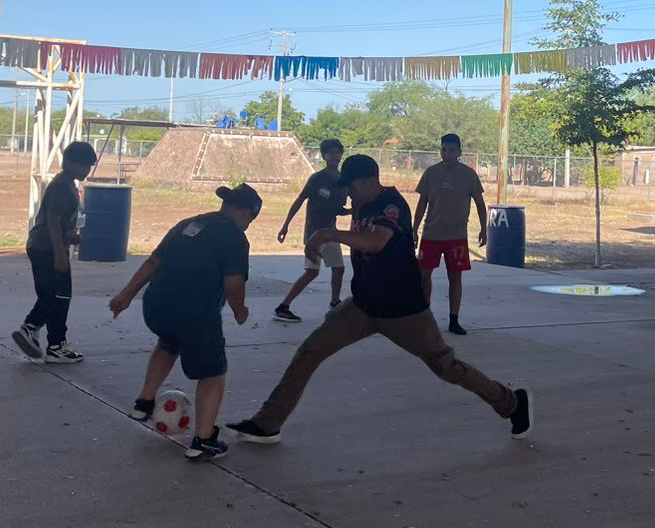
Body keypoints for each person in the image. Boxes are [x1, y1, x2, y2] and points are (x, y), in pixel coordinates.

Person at [226, 154, 532, 446]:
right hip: (362, 306)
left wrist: (330, 234)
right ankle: (267, 424)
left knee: (446, 367)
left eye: (353, 187)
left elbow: (375, 242)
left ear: (372, 181)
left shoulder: (392, 205)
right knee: (310, 351)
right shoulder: (361, 204)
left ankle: (512, 403)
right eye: (345, 189)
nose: (348, 196)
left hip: (404, 311)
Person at [108, 185, 260, 461]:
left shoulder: (188, 223)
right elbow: (234, 283)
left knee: (168, 342)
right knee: (213, 373)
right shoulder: (235, 238)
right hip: (195, 313)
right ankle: (203, 441)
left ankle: (144, 402)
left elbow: (154, 261)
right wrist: (240, 310)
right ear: (245, 212)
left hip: (156, 306)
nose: (248, 225)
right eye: (250, 219)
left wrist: (126, 295)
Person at [12, 140, 98, 364]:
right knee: (58, 295)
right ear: (68, 163)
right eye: (82, 165)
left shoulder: (68, 184)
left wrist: (71, 237)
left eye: (89, 166)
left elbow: (58, 222)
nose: (86, 170)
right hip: (47, 248)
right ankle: (42, 335)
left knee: (55, 295)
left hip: (46, 245)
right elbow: (52, 220)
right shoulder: (62, 186)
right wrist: (60, 254)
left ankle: (49, 340)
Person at [412, 133, 486, 335]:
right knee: (424, 276)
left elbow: (480, 204)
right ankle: (424, 316)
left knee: (455, 278)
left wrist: (484, 228)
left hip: (456, 236)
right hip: (431, 234)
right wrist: (414, 229)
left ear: (459, 152)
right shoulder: (430, 173)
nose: (447, 153)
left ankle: (454, 319)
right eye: (444, 149)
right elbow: (421, 204)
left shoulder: (469, 175)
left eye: (452, 150)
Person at [273, 138, 348, 322]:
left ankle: (283, 306)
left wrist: (355, 211)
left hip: (330, 230)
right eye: (330, 152)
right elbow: (300, 199)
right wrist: (286, 225)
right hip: (316, 232)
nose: (334, 156)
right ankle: (335, 304)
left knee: (313, 272)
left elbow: (339, 209)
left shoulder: (342, 182)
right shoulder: (317, 178)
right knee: (337, 267)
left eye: (337, 152)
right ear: (324, 156)